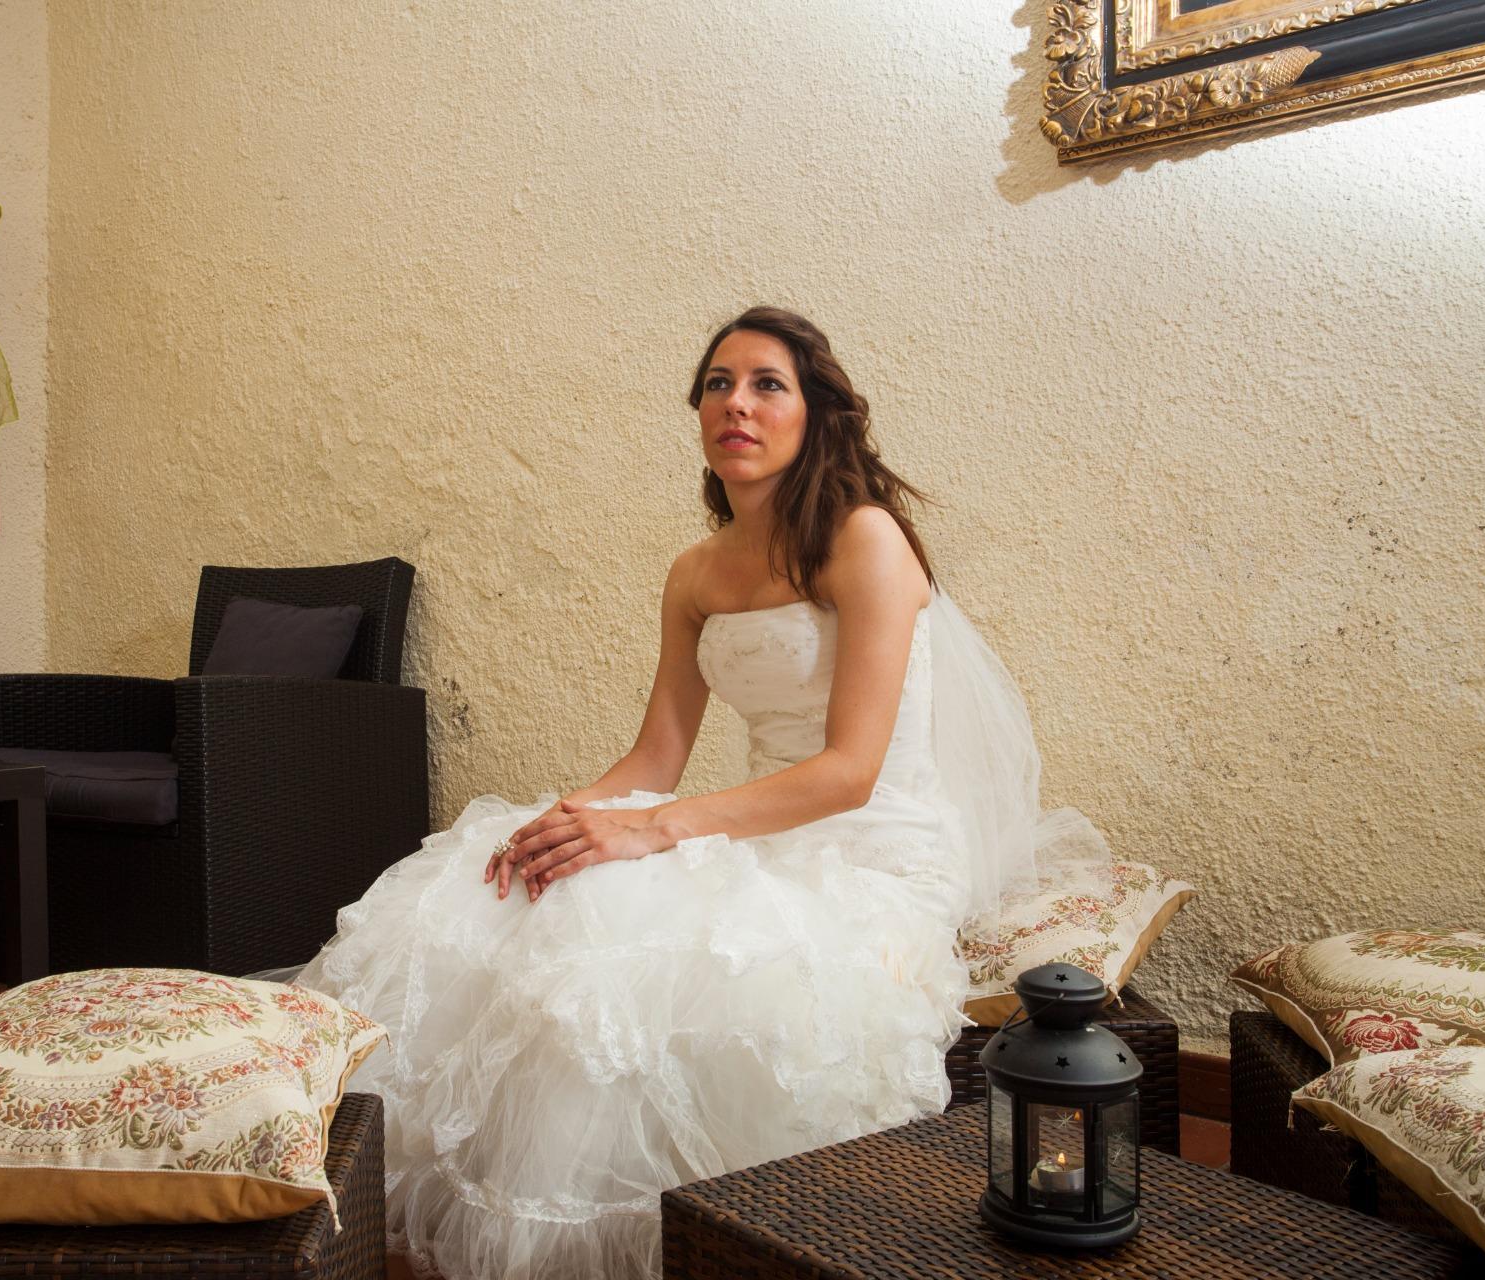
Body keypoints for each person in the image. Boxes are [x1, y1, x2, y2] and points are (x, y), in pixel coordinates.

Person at [295, 307, 1104, 1280]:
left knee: (640, 945)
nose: (738, 404)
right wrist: (572, 819)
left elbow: (850, 771)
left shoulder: (865, 539)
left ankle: (680, 1232)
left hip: (875, 852)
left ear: (817, 414)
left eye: (768, 384)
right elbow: (655, 758)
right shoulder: (695, 572)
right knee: (509, 881)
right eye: (719, 384)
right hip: (763, 831)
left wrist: (655, 831)